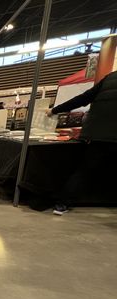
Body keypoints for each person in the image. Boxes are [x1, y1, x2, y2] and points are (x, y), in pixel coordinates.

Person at [45, 70, 117, 215]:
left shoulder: (111, 78)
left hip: (97, 132)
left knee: (85, 170)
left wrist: (55, 110)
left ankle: (62, 204)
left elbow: (84, 98)